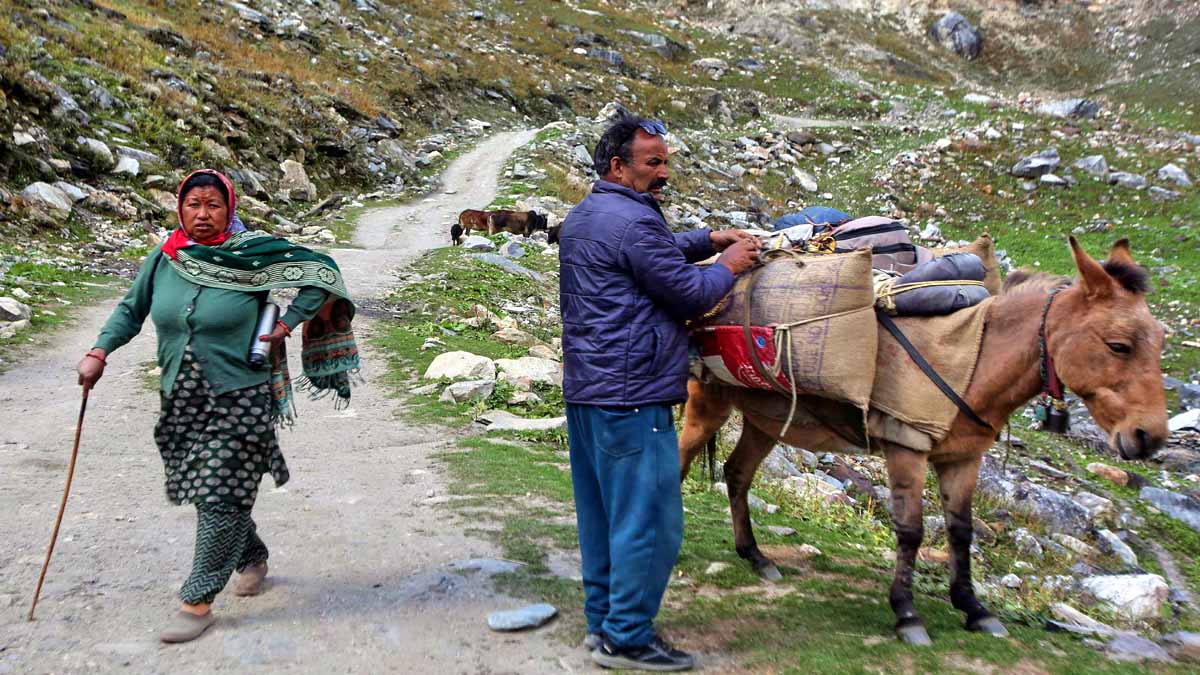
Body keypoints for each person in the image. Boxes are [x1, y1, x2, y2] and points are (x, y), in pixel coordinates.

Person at [77, 169, 359, 643]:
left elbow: (321, 273)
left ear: (229, 210)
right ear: (179, 209)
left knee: (220, 492)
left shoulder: (252, 255)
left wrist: (288, 322)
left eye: (213, 205)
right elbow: (131, 309)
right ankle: (250, 556)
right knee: (208, 488)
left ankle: (197, 602)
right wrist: (100, 350)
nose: (202, 214)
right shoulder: (166, 257)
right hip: (181, 394)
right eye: (193, 205)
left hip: (243, 393)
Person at [558, 115, 758, 671]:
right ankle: (628, 638)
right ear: (618, 166)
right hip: (633, 393)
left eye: (666, 160)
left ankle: (604, 624)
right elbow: (690, 293)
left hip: (588, 390)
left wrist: (703, 239)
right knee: (651, 520)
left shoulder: (586, 215)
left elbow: (647, 251)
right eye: (653, 162)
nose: (664, 171)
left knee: (602, 515)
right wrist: (727, 263)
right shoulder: (633, 223)